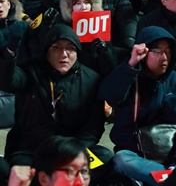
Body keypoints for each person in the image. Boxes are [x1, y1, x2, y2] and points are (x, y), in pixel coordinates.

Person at [0, 24, 111, 172]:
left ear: (77, 52)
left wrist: (75, 150)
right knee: (19, 174)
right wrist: (9, 52)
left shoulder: (92, 79)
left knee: (105, 157)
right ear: (46, 51)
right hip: (30, 149)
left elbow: (93, 127)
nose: (63, 54)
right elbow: (7, 81)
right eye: (56, 47)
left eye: (70, 48)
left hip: (70, 149)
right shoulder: (30, 71)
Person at [99, 26, 176, 184]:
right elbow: (109, 95)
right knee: (121, 159)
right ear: (144, 52)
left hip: (174, 155)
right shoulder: (129, 78)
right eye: (157, 51)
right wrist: (131, 65)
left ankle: (167, 177)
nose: (164, 57)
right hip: (138, 156)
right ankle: (172, 180)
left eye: (168, 51)